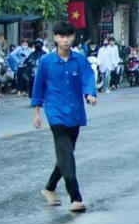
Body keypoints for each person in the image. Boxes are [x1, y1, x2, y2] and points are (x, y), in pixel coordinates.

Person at [31, 20, 97, 212]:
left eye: (68, 36)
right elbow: (38, 87)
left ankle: (49, 188)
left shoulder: (79, 59)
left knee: (65, 155)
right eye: (61, 36)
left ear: (73, 37)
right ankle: (75, 197)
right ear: (55, 38)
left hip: (74, 112)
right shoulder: (46, 62)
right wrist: (37, 112)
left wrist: (90, 94)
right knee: (66, 152)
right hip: (55, 112)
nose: (65, 40)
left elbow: (88, 78)